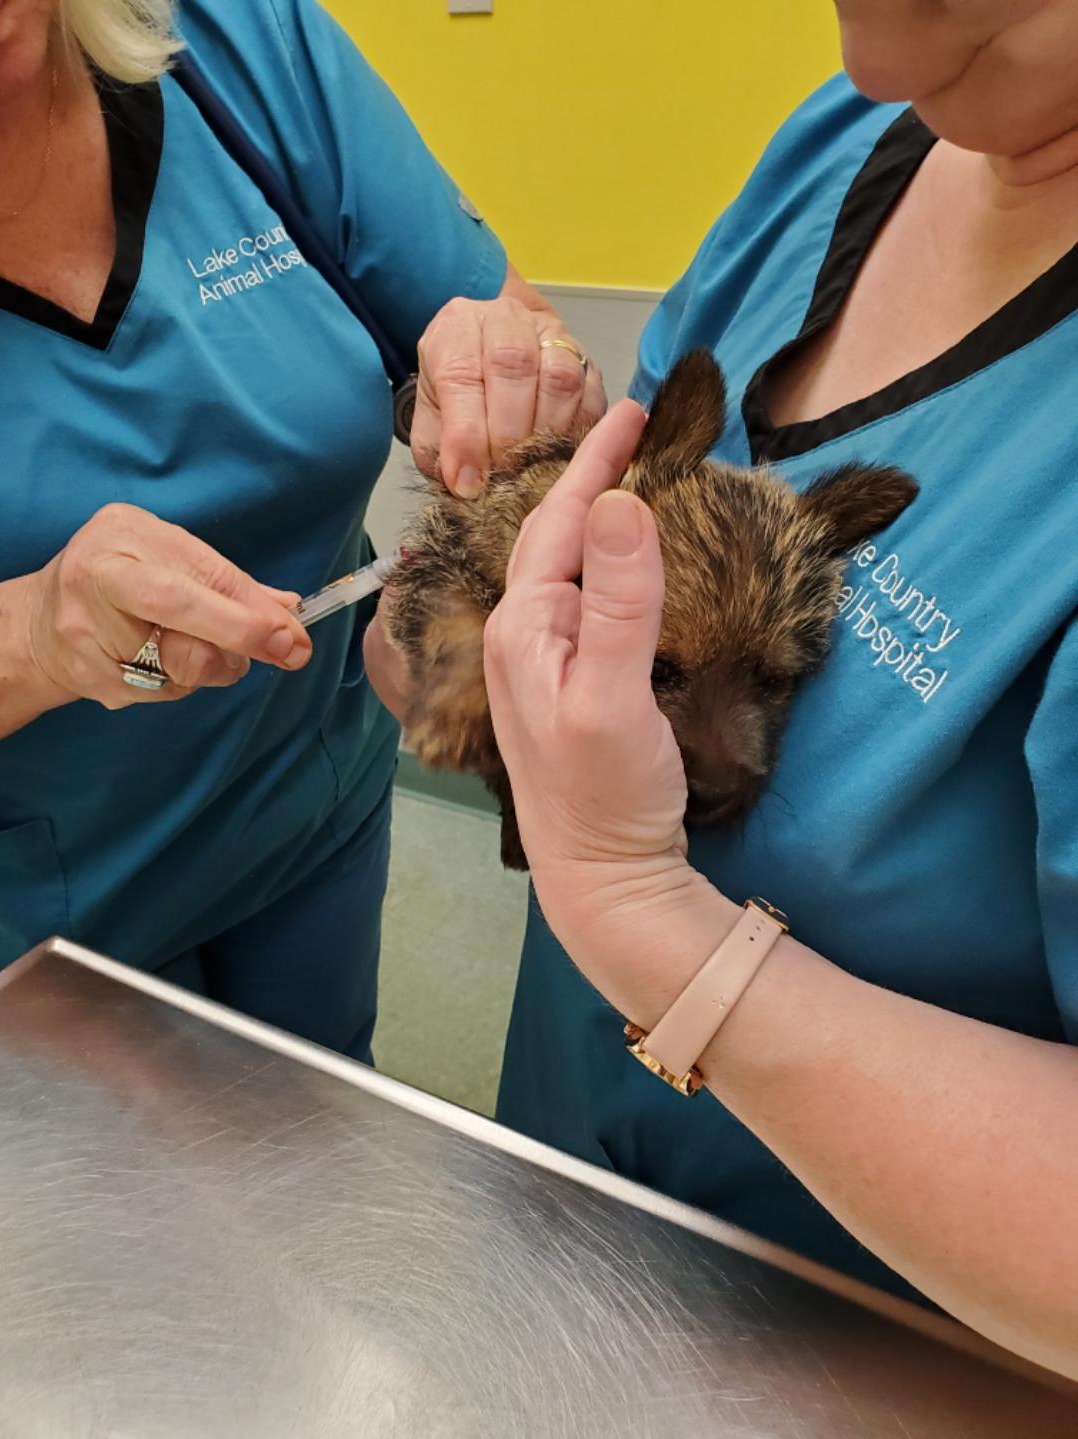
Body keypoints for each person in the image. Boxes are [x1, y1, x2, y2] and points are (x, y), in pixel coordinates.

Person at [376, 0, 1078, 1379]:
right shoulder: (841, 143)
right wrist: (458, 605)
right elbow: (528, 595)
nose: (868, 52)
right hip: (559, 1189)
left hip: (866, 1355)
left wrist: (644, 911)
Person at [0, 0, 602, 1057]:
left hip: (308, 807)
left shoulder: (238, 45)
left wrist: (507, 380)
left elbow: (518, 339)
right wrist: (37, 639)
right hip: (40, 919)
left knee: (321, 1127)